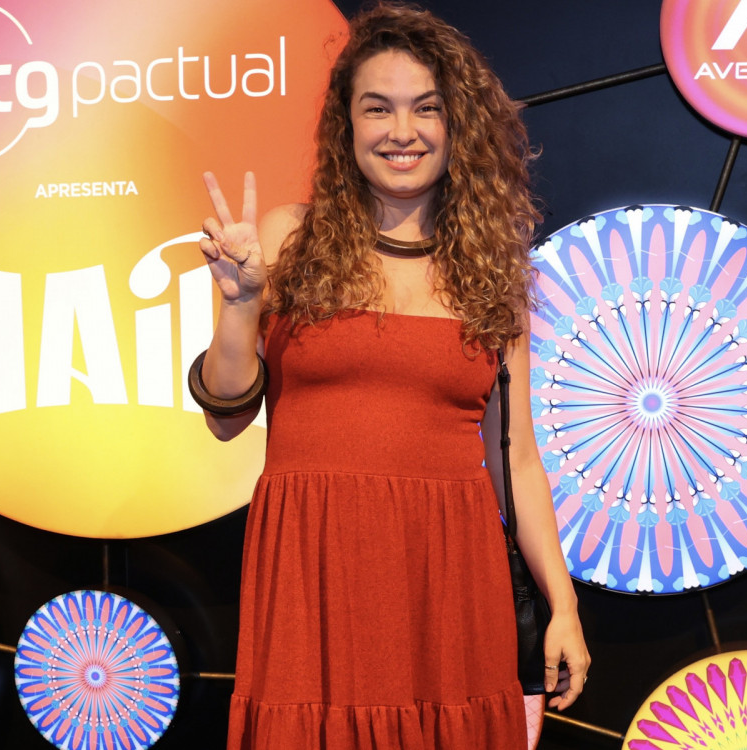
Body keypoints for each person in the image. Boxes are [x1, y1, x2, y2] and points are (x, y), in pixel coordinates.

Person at [194, 4, 590, 748]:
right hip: (312, 568)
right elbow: (225, 415)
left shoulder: (490, 272)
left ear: (456, 124)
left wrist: (563, 608)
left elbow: (517, 462)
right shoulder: (288, 237)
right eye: (378, 108)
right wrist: (242, 304)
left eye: (425, 108)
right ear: (346, 126)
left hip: (449, 578)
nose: (401, 131)